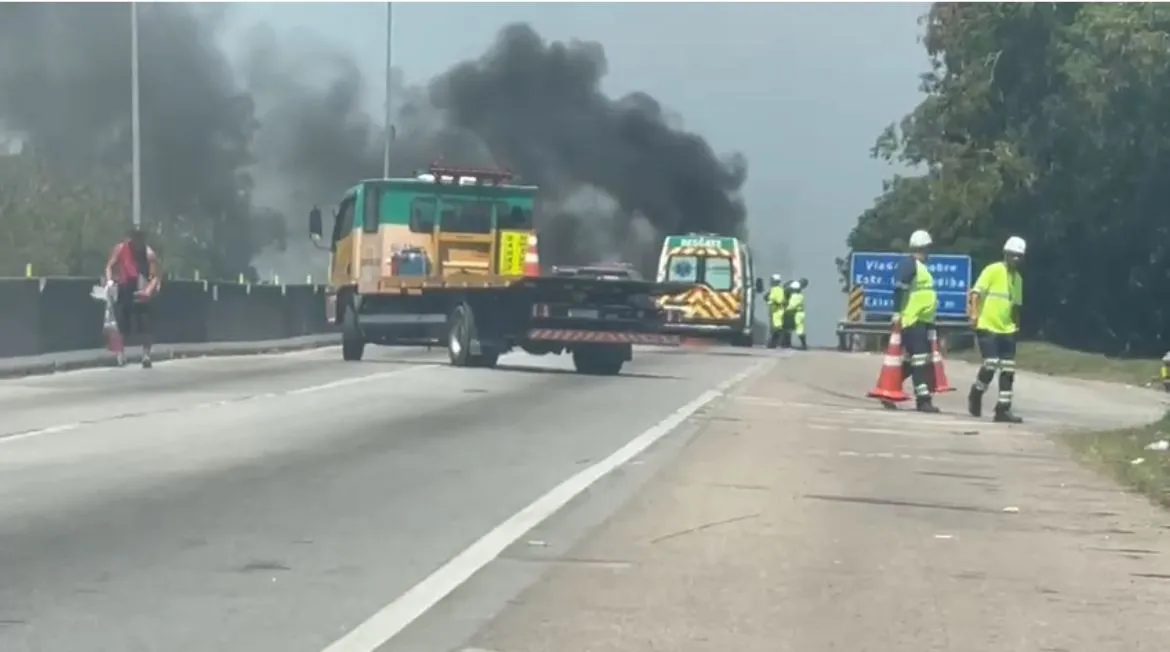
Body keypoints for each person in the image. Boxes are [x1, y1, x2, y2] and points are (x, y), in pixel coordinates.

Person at [967, 236, 1025, 423]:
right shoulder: (993, 270)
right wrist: (974, 314)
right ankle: (976, 392)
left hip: (1007, 329)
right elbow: (976, 293)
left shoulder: (1018, 279)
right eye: (1013, 255)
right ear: (1006, 254)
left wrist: (1016, 327)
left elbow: (1015, 306)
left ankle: (1003, 409)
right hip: (987, 325)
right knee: (991, 363)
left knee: (1008, 369)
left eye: (1019, 256)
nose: (1016, 259)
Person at [889, 229, 940, 413]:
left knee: (913, 362)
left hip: (922, 320)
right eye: (928, 248)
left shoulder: (922, 268)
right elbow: (899, 289)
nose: (929, 252)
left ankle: (889, 389)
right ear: (923, 248)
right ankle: (923, 400)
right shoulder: (910, 265)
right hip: (913, 320)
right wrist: (896, 313)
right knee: (919, 361)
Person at [104, 225, 160, 368]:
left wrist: (148, 291)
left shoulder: (149, 254)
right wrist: (109, 282)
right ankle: (120, 355)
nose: (137, 240)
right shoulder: (121, 249)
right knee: (121, 324)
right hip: (125, 288)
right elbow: (109, 266)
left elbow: (154, 277)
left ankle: (146, 355)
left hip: (142, 289)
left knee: (145, 324)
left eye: (140, 237)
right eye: (135, 236)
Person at [766, 273, 786, 349]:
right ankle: (773, 343)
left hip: (777, 311)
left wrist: (772, 301)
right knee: (774, 328)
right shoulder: (774, 289)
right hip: (774, 311)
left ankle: (774, 343)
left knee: (777, 328)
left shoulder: (778, 289)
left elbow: (780, 300)